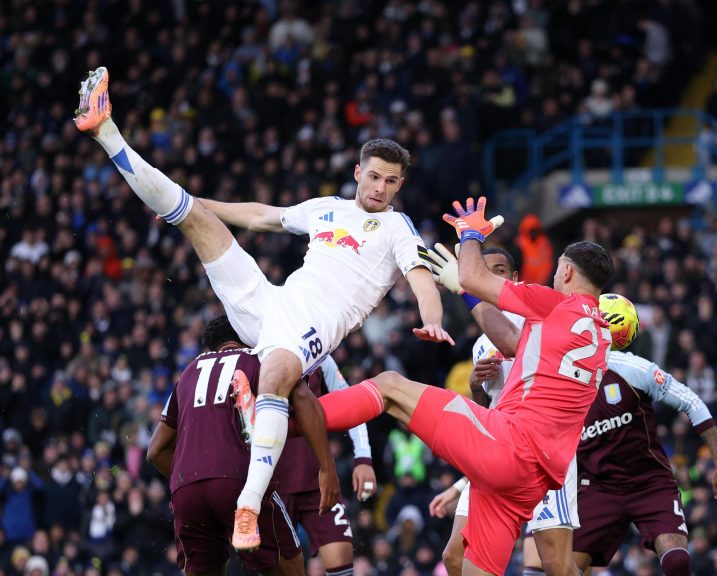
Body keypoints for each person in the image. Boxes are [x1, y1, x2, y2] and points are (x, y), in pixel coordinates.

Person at [75, 67, 451, 550]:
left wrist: (433, 319)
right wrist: (199, 204)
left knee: (276, 376)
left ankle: (247, 508)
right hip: (268, 301)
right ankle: (105, 131)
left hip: (309, 330)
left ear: (400, 186)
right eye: (374, 177)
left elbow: (421, 278)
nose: (379, 188)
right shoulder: (326, 208)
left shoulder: (398, 228)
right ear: (359, 172)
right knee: (193, 219)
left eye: (390, 181)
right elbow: (259, 215)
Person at [318, 198, 614, 576]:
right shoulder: (602, 336)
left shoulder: (554, 305)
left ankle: (293, 420)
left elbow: (478, 285)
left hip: (510, 445)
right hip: (534, 479)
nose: (554, 278)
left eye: (557, 272)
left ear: (568, 272)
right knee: (462, 562)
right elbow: (516, 345)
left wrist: (471, 233)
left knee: (389, 387)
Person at [425, 246, 579, 576]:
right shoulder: (482, 342)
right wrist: (477, 386)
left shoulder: (535, 317)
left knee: (557, 566)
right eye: (484, 270)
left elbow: (513, 342)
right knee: (454, 555)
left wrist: (465, 287)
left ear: (513, 279)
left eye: (498, 271)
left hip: (542, 454)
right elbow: (487, 406)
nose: (490, 277)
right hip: (499, 449)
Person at [146, 315, 336, 575]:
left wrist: (194, 484)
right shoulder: (261, 358)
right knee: (287, 565)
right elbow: (304, 399)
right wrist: (326, 467)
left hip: (186, 489)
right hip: (240, 481)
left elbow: (155, 451)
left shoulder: (188, 373)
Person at [572, 349, 717, 576]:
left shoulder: (631, 368)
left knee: (677, 562)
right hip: (599, 488)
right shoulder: (559, 383)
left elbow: (692, 401)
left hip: (649, 483)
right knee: (562, 568)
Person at [275, 354, 377, 576]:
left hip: (318, 481)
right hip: (273, 487)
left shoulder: (319, 355)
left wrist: (363, 458)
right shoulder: (255, 353)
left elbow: (353, 401)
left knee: (342, 564)